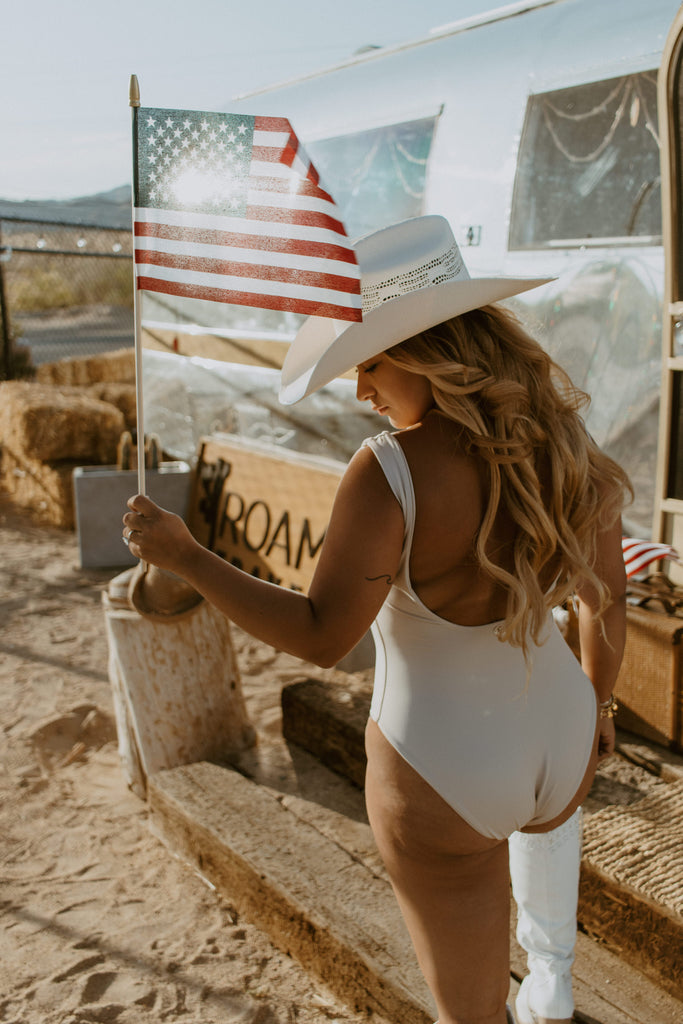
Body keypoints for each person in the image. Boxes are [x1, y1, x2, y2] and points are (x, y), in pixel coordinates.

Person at [123, 216, 629, 1024]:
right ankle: (553, 988)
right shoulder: (565, 441)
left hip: (441, 764)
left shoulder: (387, 468)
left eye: (369, 364)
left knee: (468, 1014)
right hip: (561, 735)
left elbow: (325, 637)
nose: (361, 391)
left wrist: (188, 557)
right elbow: (608, 600)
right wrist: (600, 707)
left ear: (424, 352)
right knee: (541, 876)